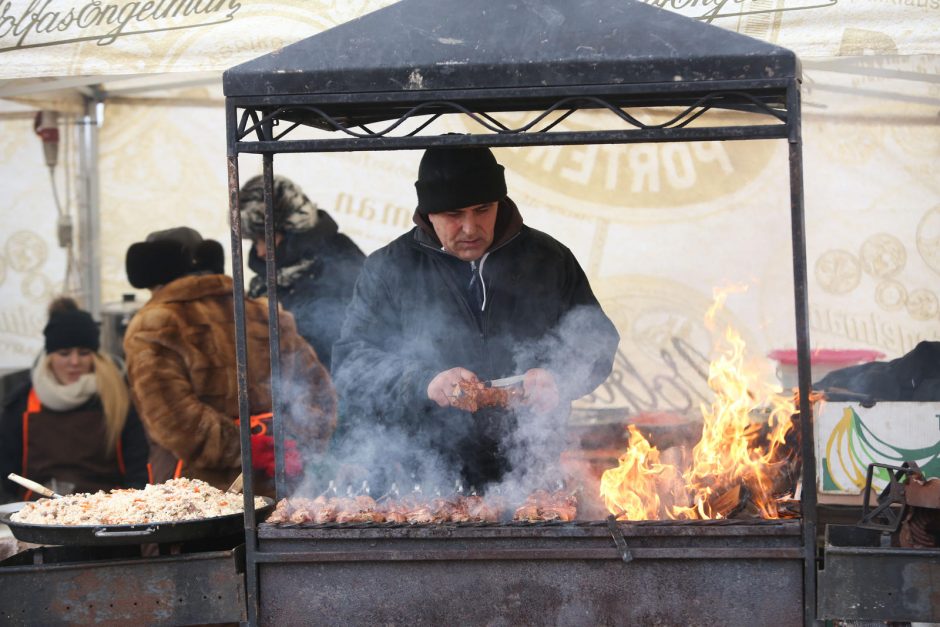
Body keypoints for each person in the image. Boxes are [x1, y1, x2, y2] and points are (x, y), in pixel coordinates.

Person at [331, 146, 620, 489]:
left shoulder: (549, 259)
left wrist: (558, 377)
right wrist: (425, 380)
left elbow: (595, 341)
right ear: (428, 212)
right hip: (421, 475)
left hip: (530, 469)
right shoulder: (389, 268)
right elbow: (352, 362)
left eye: (483, 210)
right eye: (454, 214)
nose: (470, 228)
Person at [122, 226, 337, 493]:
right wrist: (288, 445)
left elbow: (172, 418)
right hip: (280, 484)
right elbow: (319, 397)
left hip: (197, 495)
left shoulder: (154, 324)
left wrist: (244, 448)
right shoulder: (264, 313)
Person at [0, 297, 149, 501]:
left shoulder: (118, 399)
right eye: (64, 353)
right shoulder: (22, 403)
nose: (74, 362)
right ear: (50, 356)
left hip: (105, 513)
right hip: (37, 514)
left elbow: (138, 472)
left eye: (84, 353)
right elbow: (6, 477)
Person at [239, 175, 365, 370]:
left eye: (265, 238)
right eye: (255, 242)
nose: (260, 251)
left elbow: (350, 349)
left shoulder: (341, 263)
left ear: (291, 229)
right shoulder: (266, 280)